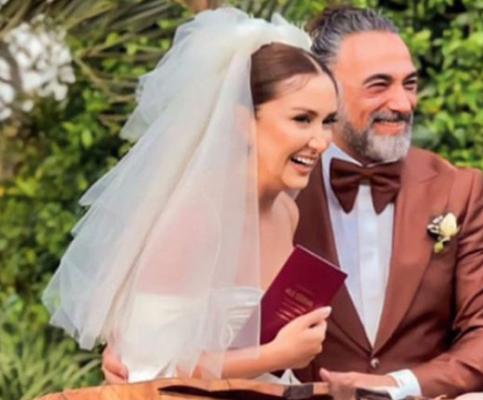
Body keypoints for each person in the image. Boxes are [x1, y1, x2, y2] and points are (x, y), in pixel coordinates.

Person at [44, 7, 338, 384]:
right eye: (302, 119)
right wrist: (275, 355)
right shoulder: (194, 219)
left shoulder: (285, 212)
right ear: (243, 121)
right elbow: (146, 368)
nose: (321, 141)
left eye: (328, 121)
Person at [290, 6, 483, 399]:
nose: (403, 103)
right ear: (326, 90)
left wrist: (400, 385)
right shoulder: (282, 188)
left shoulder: (458, 190)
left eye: (409, 84)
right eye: (379, 85)